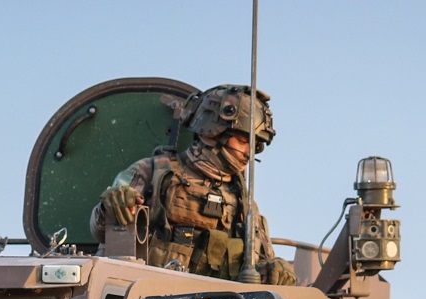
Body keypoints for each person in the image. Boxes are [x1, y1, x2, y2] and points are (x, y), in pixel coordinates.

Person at [90, 84, 297, 285]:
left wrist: (275, 268)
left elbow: (261, 264)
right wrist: (112, 207)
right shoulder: (155, 172)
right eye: (243, 141)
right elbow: (103, 231)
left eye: (255, 146)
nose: (248, 153)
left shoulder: (244, 202)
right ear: (213, 131)